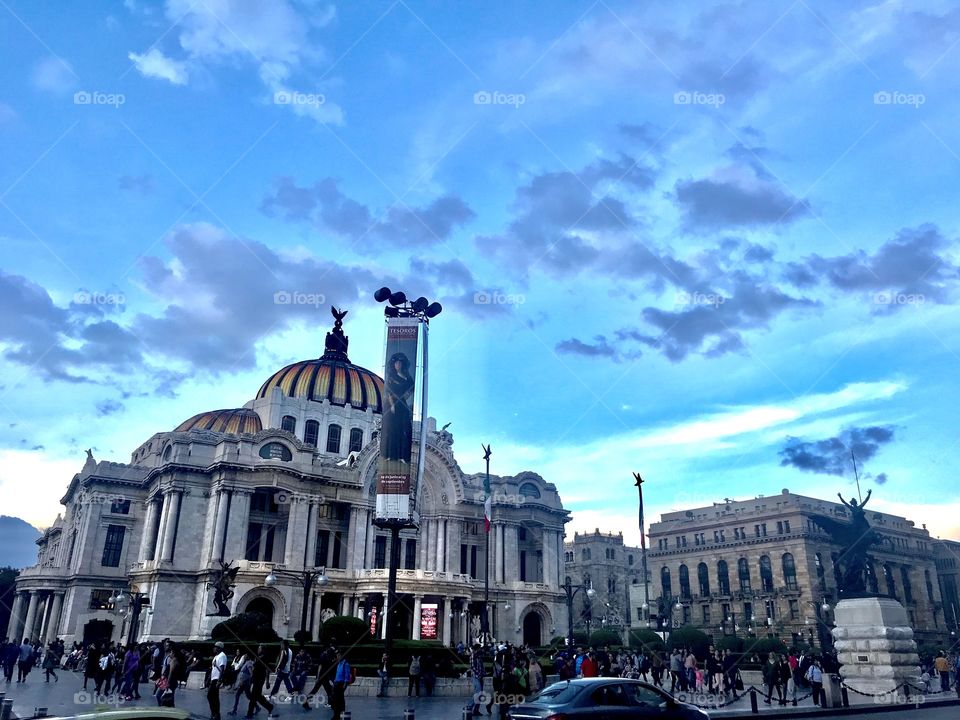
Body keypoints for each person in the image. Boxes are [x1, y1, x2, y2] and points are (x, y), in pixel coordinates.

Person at [382, 352, 415, 462]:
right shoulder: (391, 378)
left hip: (402, 405)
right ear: (393, 365)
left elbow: (411, 387)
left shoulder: (407, 378)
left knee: (405, 429)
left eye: (400, 363)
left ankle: (403, 456)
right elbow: (388, 392)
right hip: (393, 405)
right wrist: (392, 406)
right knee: (393, 430)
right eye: (396, 363)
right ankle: (392, 455)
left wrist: (407, 395)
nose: (398, 365)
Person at [245, 646, 274, 719]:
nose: (258, 650)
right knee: (257, 696)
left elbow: (267, 670)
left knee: (253, 697)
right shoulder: (258, 658)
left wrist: (267, 681)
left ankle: (249, 714)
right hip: (256, 679)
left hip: (260, 679)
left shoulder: (264, 658)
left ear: (262, 650)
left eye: (259, 648)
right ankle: (269, 706)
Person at [228, 650, 254, 716]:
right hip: (242, 683)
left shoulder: (249, 663)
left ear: (248, 656)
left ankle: (257, 707)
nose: (244, 656)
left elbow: (251, 674)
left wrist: (246, 681)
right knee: (238, 695)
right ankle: (234, 710)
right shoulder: (245, 663)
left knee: (249, 696)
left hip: (245, 683)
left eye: (246, 655)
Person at [208, 641, 228, 720]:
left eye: (215, 647)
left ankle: (216, 714)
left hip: (217, 679)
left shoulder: (222, 656)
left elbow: (222, 669)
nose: (214, 648)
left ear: (219, 648)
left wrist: (219, 681)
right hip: (214, 679)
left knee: (212, 696)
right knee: (212, 696)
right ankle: (215, 714)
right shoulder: (217, 656)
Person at [330, 652, 352, 720]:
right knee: (335, 701)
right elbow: (337, 675)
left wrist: (344, 686)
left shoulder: (346, 664)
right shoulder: (339, 664)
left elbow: (347, 676)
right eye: (337, 656)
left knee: (340, 702)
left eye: (339, 655)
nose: (337, 657)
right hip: (336, 684)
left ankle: (343, 717)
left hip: (341, 684)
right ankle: (337, 715)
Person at [468, 644, 485, 716]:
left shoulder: (479, 656)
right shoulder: (473, 656)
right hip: (476, 676)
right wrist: (478, 675)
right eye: (479, 648)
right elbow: (472, 667)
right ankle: (469, 706)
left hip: (480, 676)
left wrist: (483, 674)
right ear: (477, 649)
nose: (480, 650)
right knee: (478, 692)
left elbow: (481, 666)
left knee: (480, 693)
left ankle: (476, 710)